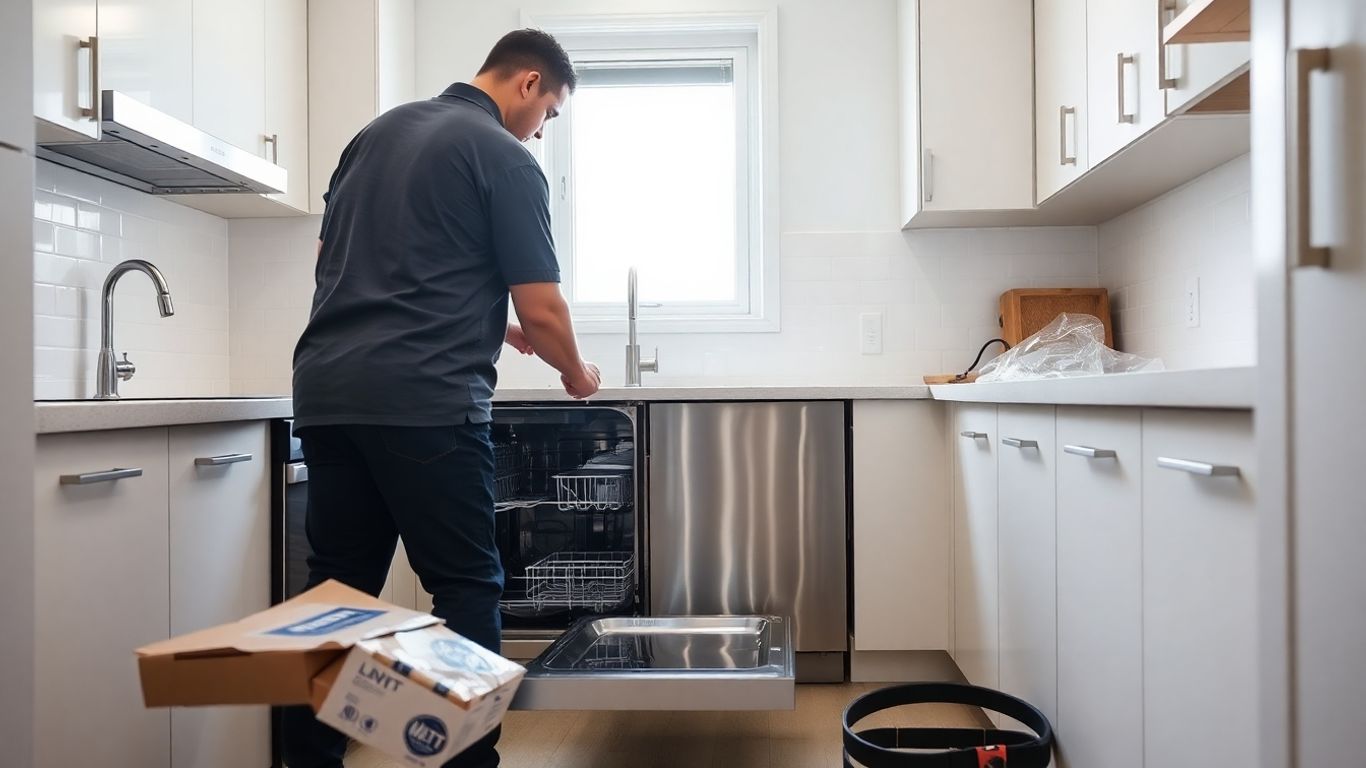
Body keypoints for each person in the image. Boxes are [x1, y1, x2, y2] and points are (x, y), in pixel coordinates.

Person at [283, 28, 600, 768]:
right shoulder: (503, 157)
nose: (542, 129)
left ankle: (307, 757)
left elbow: (339, 261)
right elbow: (547, 307)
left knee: (337, 593)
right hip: (425, 400)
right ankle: (466, 762)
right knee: (466, 585)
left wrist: (499, 329)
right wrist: (574, 372)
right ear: (527, 84)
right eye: (549, 112)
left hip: (329, 392)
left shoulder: (377, 133)